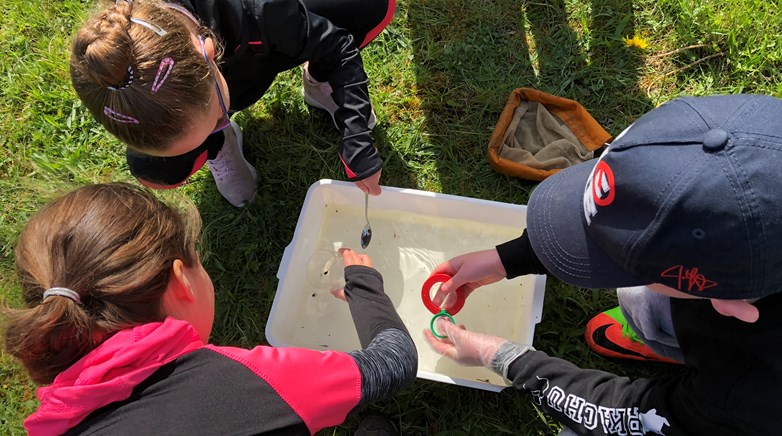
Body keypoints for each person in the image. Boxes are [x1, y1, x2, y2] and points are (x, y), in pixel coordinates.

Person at [424, 94, 782, 435]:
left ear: (729, 301)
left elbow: (632, 417)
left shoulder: (745, 397)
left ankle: (686, 362)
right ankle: (672, 338)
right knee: (640, 294)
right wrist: (507, 259)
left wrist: (505, 358)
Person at [3, 183, 416, 435]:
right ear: (182, 280)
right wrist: (364, 283)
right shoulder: (251, 386)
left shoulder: (57, 418)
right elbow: (395, 359)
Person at [70, 0, 394, 207]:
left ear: (209, 53)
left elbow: (337, 44)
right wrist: (208, 128)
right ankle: (218, 145)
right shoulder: (121, 63)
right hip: (221, 68)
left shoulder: (262, 10)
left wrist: (356, 133)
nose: (218, 120)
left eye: (217, 121)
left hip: (268, 32)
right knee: (153, 169)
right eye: (214, 127)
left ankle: (320, 81)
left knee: (370, 5)